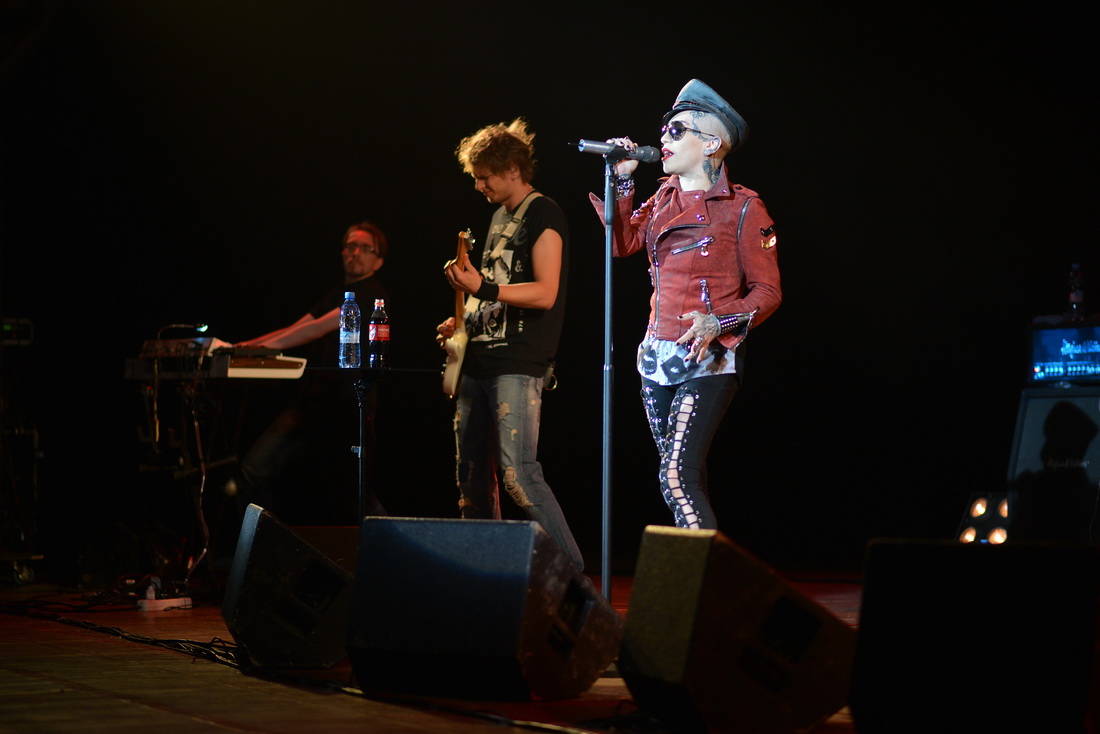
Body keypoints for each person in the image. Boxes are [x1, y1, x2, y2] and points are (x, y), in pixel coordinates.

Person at [589, 79, 782, 530]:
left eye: (677, 131)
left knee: (676, 476)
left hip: (708, 359)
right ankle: (701, 567)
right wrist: (622, 180)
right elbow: (621, 244)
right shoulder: (662, 197)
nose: (664, 138)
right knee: (676, 479)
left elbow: (768, 291)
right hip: (657, 357)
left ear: (711, 143)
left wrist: (719, 322)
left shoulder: (743, 207)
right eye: (664, 130)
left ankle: (703, 569)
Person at [435, 118, 583, 570]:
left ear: (514, 169)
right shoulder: (499, 216)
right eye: (476, 177)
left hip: (517, 362)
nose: (478, 185)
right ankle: (486, 579)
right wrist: (463, 320)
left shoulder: (544, 213)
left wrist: (482, 287)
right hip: (478, 360)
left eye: (485, 176)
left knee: (519, 475)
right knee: (471, 478)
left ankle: (575, 579)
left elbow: (545, 292)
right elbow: (494, 292)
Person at [234, 220, 389, 523]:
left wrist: (256, 348)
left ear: (378, 260)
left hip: (348, 408)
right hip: (314, 403)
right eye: (350, 246)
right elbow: (298, 327)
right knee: (252, 472)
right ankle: (266, 546)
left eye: (364, 248)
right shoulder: (336, 293)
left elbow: (315, 329)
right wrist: (241, 347)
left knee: (359, 498)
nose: (355, 253)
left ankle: (401, 550)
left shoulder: (372, 294)